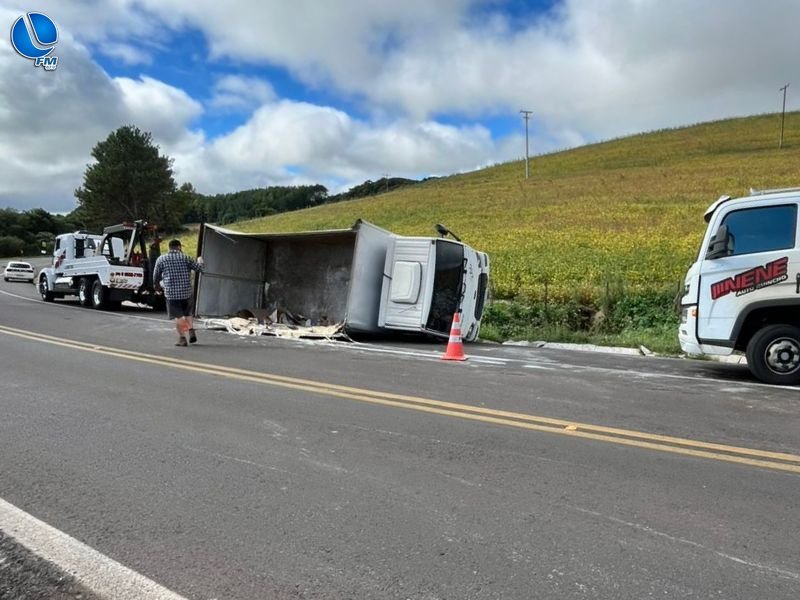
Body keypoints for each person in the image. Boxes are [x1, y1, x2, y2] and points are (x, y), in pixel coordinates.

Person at [153, 239, 204, 346]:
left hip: (172, 294)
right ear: (179, 247)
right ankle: (190, 330)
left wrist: (156, 287)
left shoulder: (161, 259)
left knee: (178, 316)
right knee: (188, 313)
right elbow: (200, 269)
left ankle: (182, 338)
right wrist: (200, 260)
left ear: (169, 248)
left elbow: (156, 275)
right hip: (187, 292)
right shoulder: (186, 258)